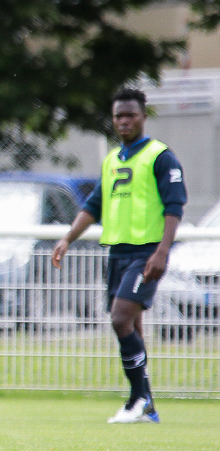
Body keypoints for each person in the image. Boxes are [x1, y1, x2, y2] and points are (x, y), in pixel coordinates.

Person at [52, 86, 185, 424]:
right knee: (132, 325)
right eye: (118, 116)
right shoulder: (112, 159)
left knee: (120, 317)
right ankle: (147, 405)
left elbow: (174, 205)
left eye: (130, 115)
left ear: (142, 117)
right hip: (117, 253)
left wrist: (163, 251)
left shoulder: (160, 156)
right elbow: (94, 205)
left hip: (146, 253)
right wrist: (67, 238)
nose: (124, 121)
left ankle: (137, 399)